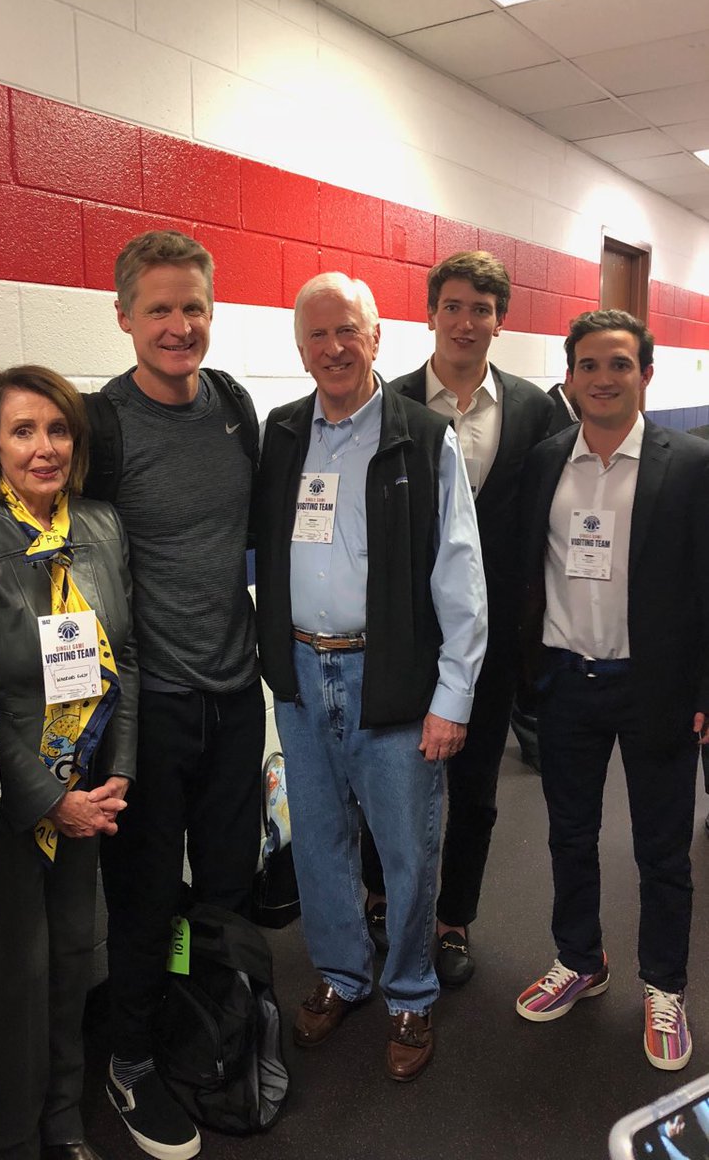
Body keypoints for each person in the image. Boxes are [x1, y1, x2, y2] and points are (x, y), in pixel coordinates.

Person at [255, 272, 487, 1081]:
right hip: (300, 669)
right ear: (301, 348)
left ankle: (412, 993)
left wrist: (451, 698)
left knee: (406, 849)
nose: (333, 348)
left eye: (347, 330)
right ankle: (344, 975)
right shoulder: (283, 434)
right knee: (317, 841)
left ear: (378, 336)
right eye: (317, 334)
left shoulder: (424, 438)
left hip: (389, 679)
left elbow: (461, 579)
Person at [0, 366, 137, 1160]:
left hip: (88, 785)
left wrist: (120, 773)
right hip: (11, 798)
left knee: (76, 957)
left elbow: (128, 658)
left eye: (58, 430)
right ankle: (13, 1137)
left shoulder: (103, 527)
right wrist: (49, 799)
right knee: (19, 973)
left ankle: (65, 1121)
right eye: (23, 431)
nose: (45, 448)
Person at [83, 230, 263, 1159]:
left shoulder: (234, 406)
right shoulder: (98, 428)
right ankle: (131, 1060)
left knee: (226, 885)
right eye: (158, 309)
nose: (178, 325)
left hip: (236, 698)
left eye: (192, 306)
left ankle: (203, 1010)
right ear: (124, 317)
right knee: (147, 896)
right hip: (149, 704)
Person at [516, 310, 709, 1071]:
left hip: (654, 685)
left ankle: (664, 985)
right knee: (570, 835)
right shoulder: (544, 462)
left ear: (645, 375)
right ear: (569, 376)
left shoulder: (689, 465)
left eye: (620, 365)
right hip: (567, 681)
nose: (603, 379)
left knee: (663, 849)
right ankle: (580, 960)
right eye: (589, 365)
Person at [361, 251, 552, 983]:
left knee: (473, 787)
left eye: (482, 308)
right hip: (402, 634)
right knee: (388, 778)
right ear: (431, 313)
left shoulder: (534, 408)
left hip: (493, 637)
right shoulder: (392, 401)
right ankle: (381, 897)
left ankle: (452, 920)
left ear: (499, 321)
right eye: (453, 306)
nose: (466, 321)